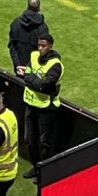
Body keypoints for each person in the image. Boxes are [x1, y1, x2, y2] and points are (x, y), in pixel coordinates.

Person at [19, 33, 62, 164]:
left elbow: (43, 86)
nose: (40, 48)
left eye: (43, 46)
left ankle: (45, 171)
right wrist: (32, 79)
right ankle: (36, 166)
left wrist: (30, 78)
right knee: (29, 140)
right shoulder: (33, 56)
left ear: (50, 46)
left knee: (45, 143)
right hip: (31, 105)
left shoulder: (56, 65)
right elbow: (28, 75)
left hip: (46, 108)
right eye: (38, 45)